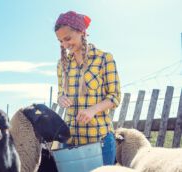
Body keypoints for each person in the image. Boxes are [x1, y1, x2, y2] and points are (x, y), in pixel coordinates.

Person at [55, 11, 121, 165]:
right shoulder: (62, 64)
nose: (64, 45)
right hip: (69, 143)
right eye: (60, 41)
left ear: (82, 32)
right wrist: (61, 98)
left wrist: (93, 110)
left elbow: (115, 96)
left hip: (100, 142)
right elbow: (60, 92)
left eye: (67, 39)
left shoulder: (104, 59)